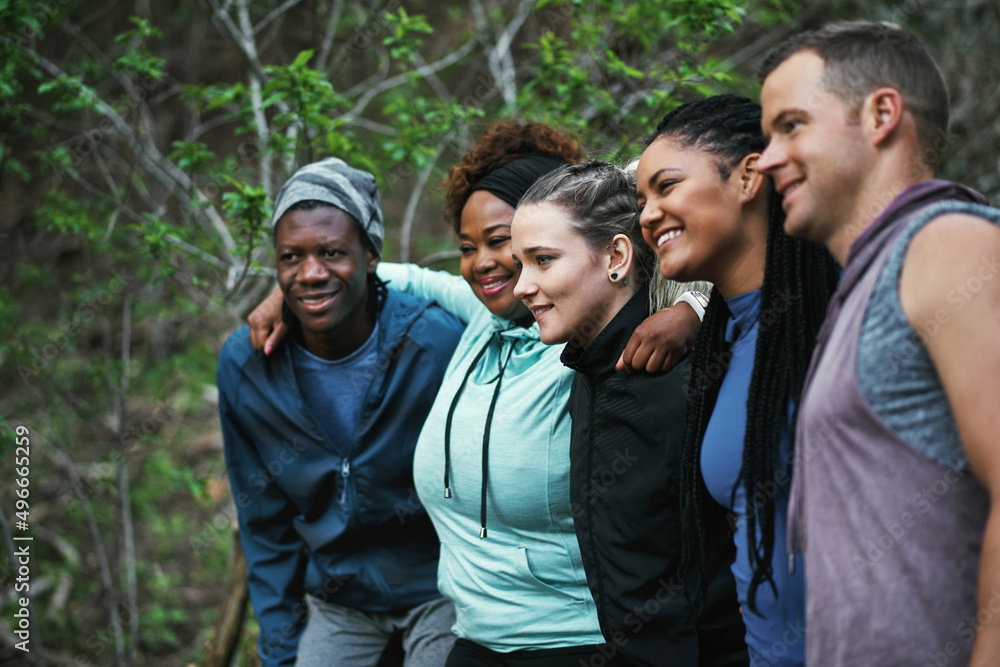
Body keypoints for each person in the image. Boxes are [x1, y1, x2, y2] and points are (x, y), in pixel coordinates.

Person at [246, 120, 702, 665]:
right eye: (468, 246)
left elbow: (725, 261)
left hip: (572, 639)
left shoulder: (584, 342)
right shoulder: (479, 323)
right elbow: (410, 275)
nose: (485, 262)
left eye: (510, 245)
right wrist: (304, 285)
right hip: (476, 637)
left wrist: (693, 308)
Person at [756, 20, 1000, 665]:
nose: (769, 157)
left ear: (881, 114)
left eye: (791, 126)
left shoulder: (947, 244)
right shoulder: (865, 282)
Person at [217, 157, 464, 666]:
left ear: (370, 256)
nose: (310, 273)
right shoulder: (247, 367)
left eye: (332, 252)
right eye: (291, 257)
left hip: (442, 587)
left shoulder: (434, 343)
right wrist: (282, 652)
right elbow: (264, 524)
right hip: (340, 602)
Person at [511, 159, 748, 667]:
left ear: (616, 256)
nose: (521, 286)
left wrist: (694, 310)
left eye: (543, 260)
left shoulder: (683, 376)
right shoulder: (590, 370)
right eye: (520, 264)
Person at [634, 94, 840, 666]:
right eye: (642, 199)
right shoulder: (728, 338)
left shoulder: (844, 315)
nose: (648, 214)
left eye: (666, 186)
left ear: (749, 175)